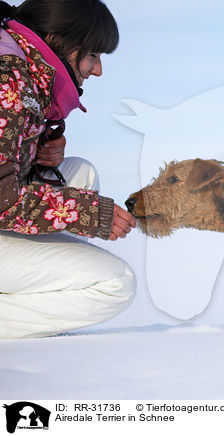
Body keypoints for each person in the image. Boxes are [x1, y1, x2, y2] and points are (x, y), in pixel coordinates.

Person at [0, 0, 137, 339]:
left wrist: (36, 146)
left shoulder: (18, 68)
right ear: (58, 41)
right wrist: (89, 213)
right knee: (115, 283)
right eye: (93, 55)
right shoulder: (9, 86)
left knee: (81, 174)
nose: (98, 69)